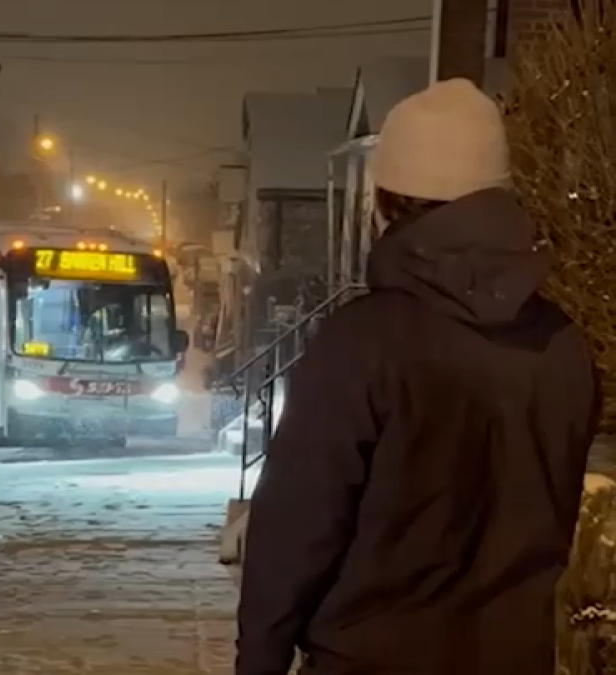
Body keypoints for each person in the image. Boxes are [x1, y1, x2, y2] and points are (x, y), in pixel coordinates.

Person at [236, 78, 601, 675]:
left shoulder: (364, 343)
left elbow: (297, 527)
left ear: (386, 202)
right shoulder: (563, 344)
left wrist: (260, 657)